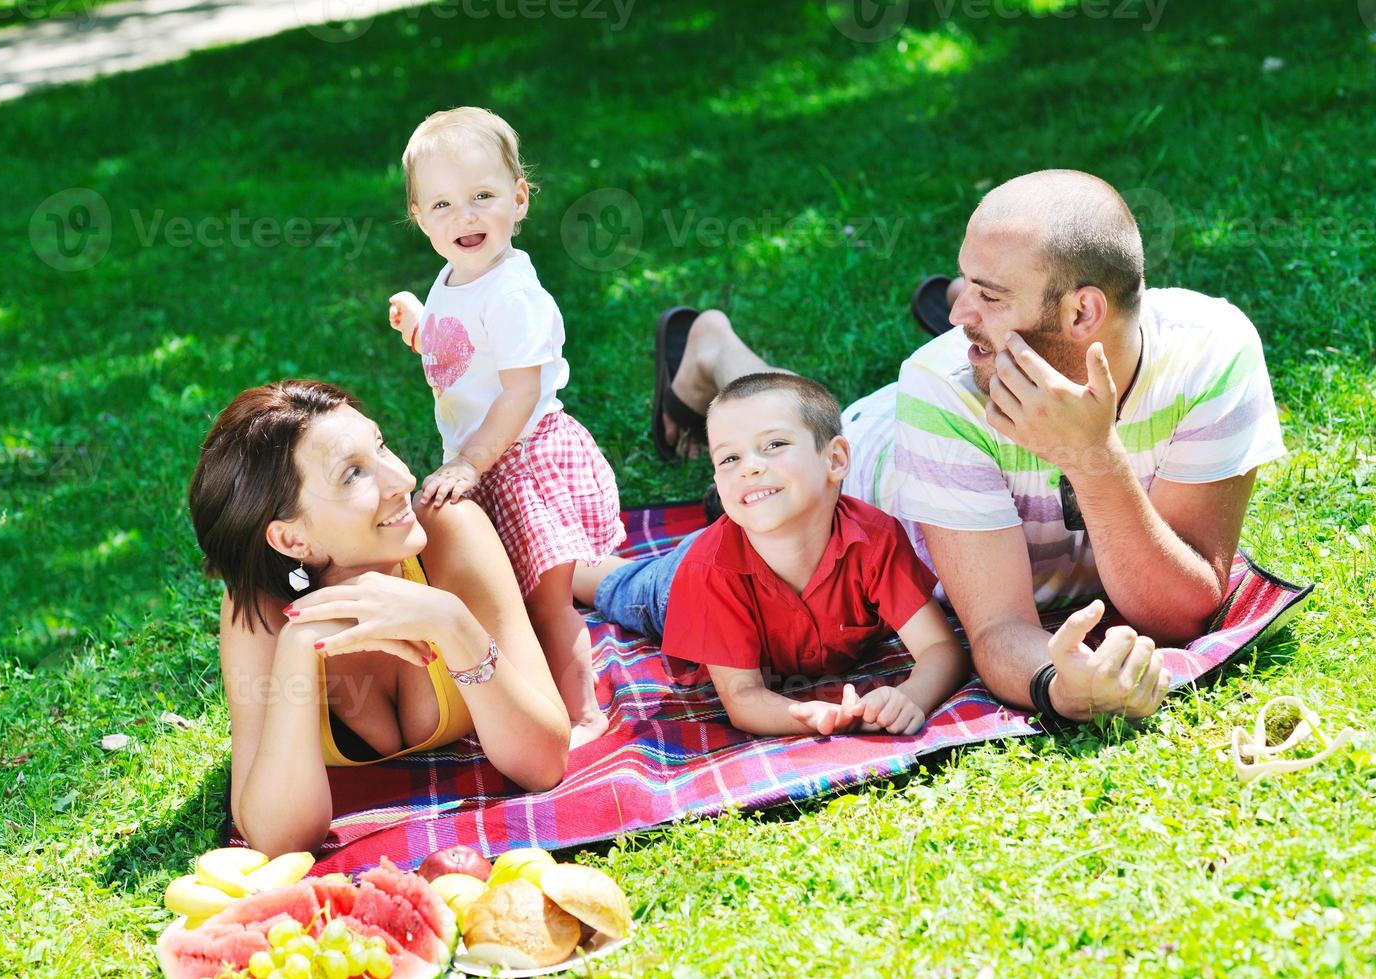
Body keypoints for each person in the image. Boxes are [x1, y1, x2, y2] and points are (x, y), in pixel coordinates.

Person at [649, 170, 1285, 724]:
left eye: (988, 294)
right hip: (864, 464)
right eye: (965, 291)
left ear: (1083, 314)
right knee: (790, 433)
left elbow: (1181, 611)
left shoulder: (1213, 356)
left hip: (1017, 395)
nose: (962, 318)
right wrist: (1064, 687)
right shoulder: (939, 387)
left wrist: (1091, 458)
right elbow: (998, 631)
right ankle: (715, 348)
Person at [187, 380, 571, 856]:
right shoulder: (260, 612)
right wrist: (299, 645)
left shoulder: (450, 530)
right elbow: (278, 839)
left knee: (581, 581)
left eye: (381, 446)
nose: (403, 479)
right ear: (291, 541)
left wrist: (451, 621)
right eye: (353, 474)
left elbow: (544, 762)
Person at [386, 106, 623, 746]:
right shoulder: (456, 278)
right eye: (442, 206)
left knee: (547, 602)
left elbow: (518, 392)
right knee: (509, 597)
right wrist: (420, 325)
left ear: (518, 200)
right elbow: (462, 354)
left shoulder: (514, 294)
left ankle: (582, 713)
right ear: (418, 215)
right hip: (487, 459)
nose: (464, 217)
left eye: (483, 197)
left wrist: (470, 463)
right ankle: (527, 694)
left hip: (523, 459)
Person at [575, 373, 970, 736]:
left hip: (736, 544)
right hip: (676, 582)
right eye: (730, 458)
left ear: (834, 460)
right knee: (614, 585)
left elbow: (940, 649)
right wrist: (812, 717)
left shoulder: (875, 540)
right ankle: (547, 559)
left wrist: (911, 696)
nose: (749, 467)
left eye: (774, 445)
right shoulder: (707, 574)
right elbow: (744, 698)